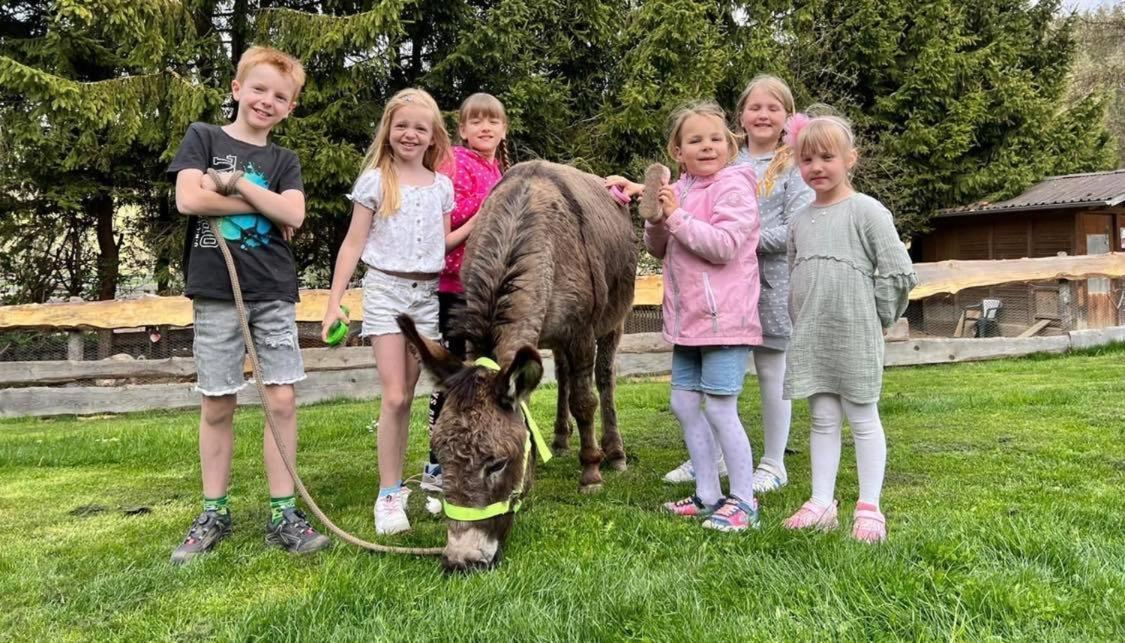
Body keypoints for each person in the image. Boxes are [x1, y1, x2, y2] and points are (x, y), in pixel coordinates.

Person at [167, 46, 330, 565]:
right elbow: (189, 199)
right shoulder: (204, 137)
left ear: (290, 109)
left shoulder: (284, 160)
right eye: (258, 89)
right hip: (217, 292)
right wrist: (263, 200)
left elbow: (295, 215)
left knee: (281, 401)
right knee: (219, 401)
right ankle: (214, 510)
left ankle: (284, 512)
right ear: (237, 89)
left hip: (273, 290)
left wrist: (232, 182)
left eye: (280, 96)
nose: (267, 100)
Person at [606, 101, 763, 532]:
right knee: (684, 403)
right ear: (678, 150)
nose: (707, 146)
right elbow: (659, 248)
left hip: (724, 320)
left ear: (730, 145)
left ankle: (745, 502)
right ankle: (708, 494)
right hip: (689, 321)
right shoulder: (685, 188)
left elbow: (724, 245)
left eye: (715, 139)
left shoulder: (735, 187)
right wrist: (658, 216)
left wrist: (676, 215)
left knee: (720, 409)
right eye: (695, 140)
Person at [663, 75, 814, 495]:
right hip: (720, 285)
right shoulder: (725, 161)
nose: (763, 114)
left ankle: (772, 462)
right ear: (741, 116)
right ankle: (710, 458)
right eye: (755, 107)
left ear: (787, 116)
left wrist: (744, 242)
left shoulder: (794, 164)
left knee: (770, 371)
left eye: (774, 107)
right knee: (715, 377)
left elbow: (795, 228)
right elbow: (686, 206)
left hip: (773, 281)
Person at [321, 88, 453, 535]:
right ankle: (388, 495)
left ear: (433, 135)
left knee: (416, 394)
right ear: (388, 130)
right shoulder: (377, 181)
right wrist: (333, 302)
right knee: (395, 395)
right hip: (386, 292)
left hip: (426, 295)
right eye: (402, 126)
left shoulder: (441, 187)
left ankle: (413, 484)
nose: (410, 134)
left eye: (420, 127)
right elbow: (353, 243)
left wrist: (484, 218)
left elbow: (442, 244)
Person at [781, 115, 917, 543]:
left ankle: (869, 506)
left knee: (862, 417)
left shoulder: (866, 210)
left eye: (827, 157)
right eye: (807, 159)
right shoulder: (800, 220)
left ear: (850, 159)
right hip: (812, 335)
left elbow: (897, 271)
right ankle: (822, 503)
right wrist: (798, 316)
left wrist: (877, 316)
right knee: (821, 419)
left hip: (856, 333)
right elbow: (793, 275)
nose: (817, 166)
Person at [421, 92, 510, 493]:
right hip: (455, 287)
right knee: (455, 376)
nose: (485, 128)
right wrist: (489, 209)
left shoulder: (503, 170)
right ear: (462, 129)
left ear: (504, 129)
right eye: (476, 121)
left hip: (490, 290)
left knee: (486, 375)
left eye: (492, 121)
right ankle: (436, 463)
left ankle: (482, 448)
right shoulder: (453, 164)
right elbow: (449, 217)